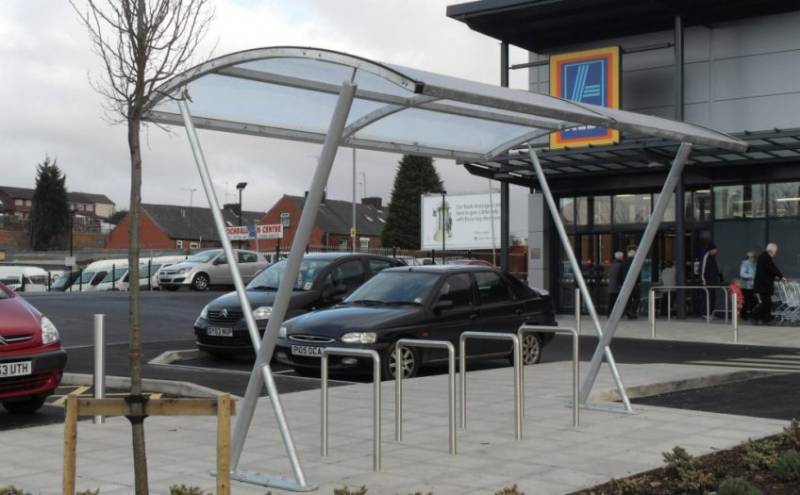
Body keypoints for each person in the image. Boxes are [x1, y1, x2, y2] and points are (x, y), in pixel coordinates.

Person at [752, 243, 787, 325]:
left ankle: (765, 319)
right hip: (763, 285)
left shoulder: (765, 257)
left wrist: (778, 276)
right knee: (766, 303)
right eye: (775, 252)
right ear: (771, 251)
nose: (775, 253)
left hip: (764, 285)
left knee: (768, 303)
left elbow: (770, 270)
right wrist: (781, 276)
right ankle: (755, 315)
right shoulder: (765, 258)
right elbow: (772, 268)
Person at [701, 243, 722, 320]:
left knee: (713, 297)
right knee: (708, 297)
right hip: (708, 281)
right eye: (715, 250)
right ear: (710, 250)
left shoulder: (713, 257)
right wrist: (703, 280)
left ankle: (710, 313)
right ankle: (705, 314)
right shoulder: (706, 257)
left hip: (713, 281)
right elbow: (703, 269)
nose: (716, 251)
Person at [739, 251, 757, 320]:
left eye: (754, 257)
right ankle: (744, 316)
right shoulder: (745, 263)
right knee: (746, 301)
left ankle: (751, 315)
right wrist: (752, 276)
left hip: (752, 286)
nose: (753, 258)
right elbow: (742, 274)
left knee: (752, 301)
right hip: (746, 286)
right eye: (752, 257)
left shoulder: (754, 264)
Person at [624, 246, 640, 319]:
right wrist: (638, 281)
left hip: (626, 284)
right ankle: (632, 311)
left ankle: (628, 312)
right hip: (634, 283)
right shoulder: (636, 262)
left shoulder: (625, 262)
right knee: (637, 298)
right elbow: (638, 273)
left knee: (628, 299)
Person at [607, 251, 624, 316]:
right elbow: (620, 276)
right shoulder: (620, 265)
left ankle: (609, 313)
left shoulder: (613, 264)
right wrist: (621, 285)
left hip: (611, 286)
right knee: (616, 301)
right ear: (621, 257)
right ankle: (615, 314)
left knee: (611, 301)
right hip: (616, 286)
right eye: (622, 257)